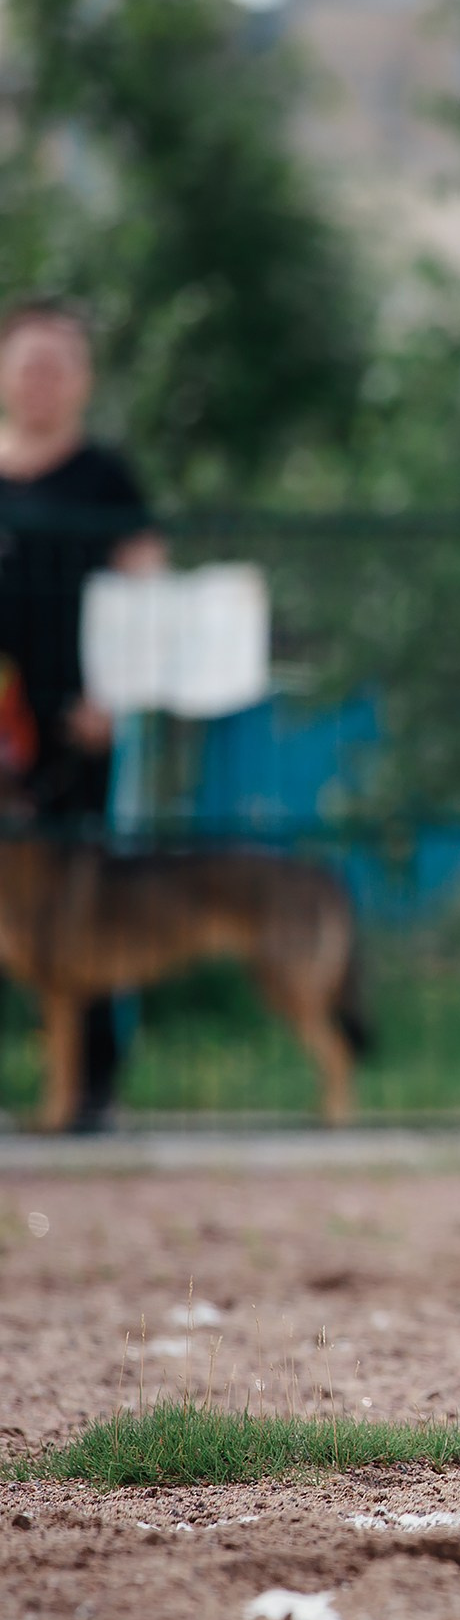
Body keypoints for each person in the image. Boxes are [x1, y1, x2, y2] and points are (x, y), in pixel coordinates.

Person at [0, 299, 166, 1130]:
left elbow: (148, 592)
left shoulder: (108, 477)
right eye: (30, 363)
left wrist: (116, 696)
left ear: (83, 381)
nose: (43, 379)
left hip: (77, 727)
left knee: (86, 904)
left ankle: (90, 1088)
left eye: (59, 365)